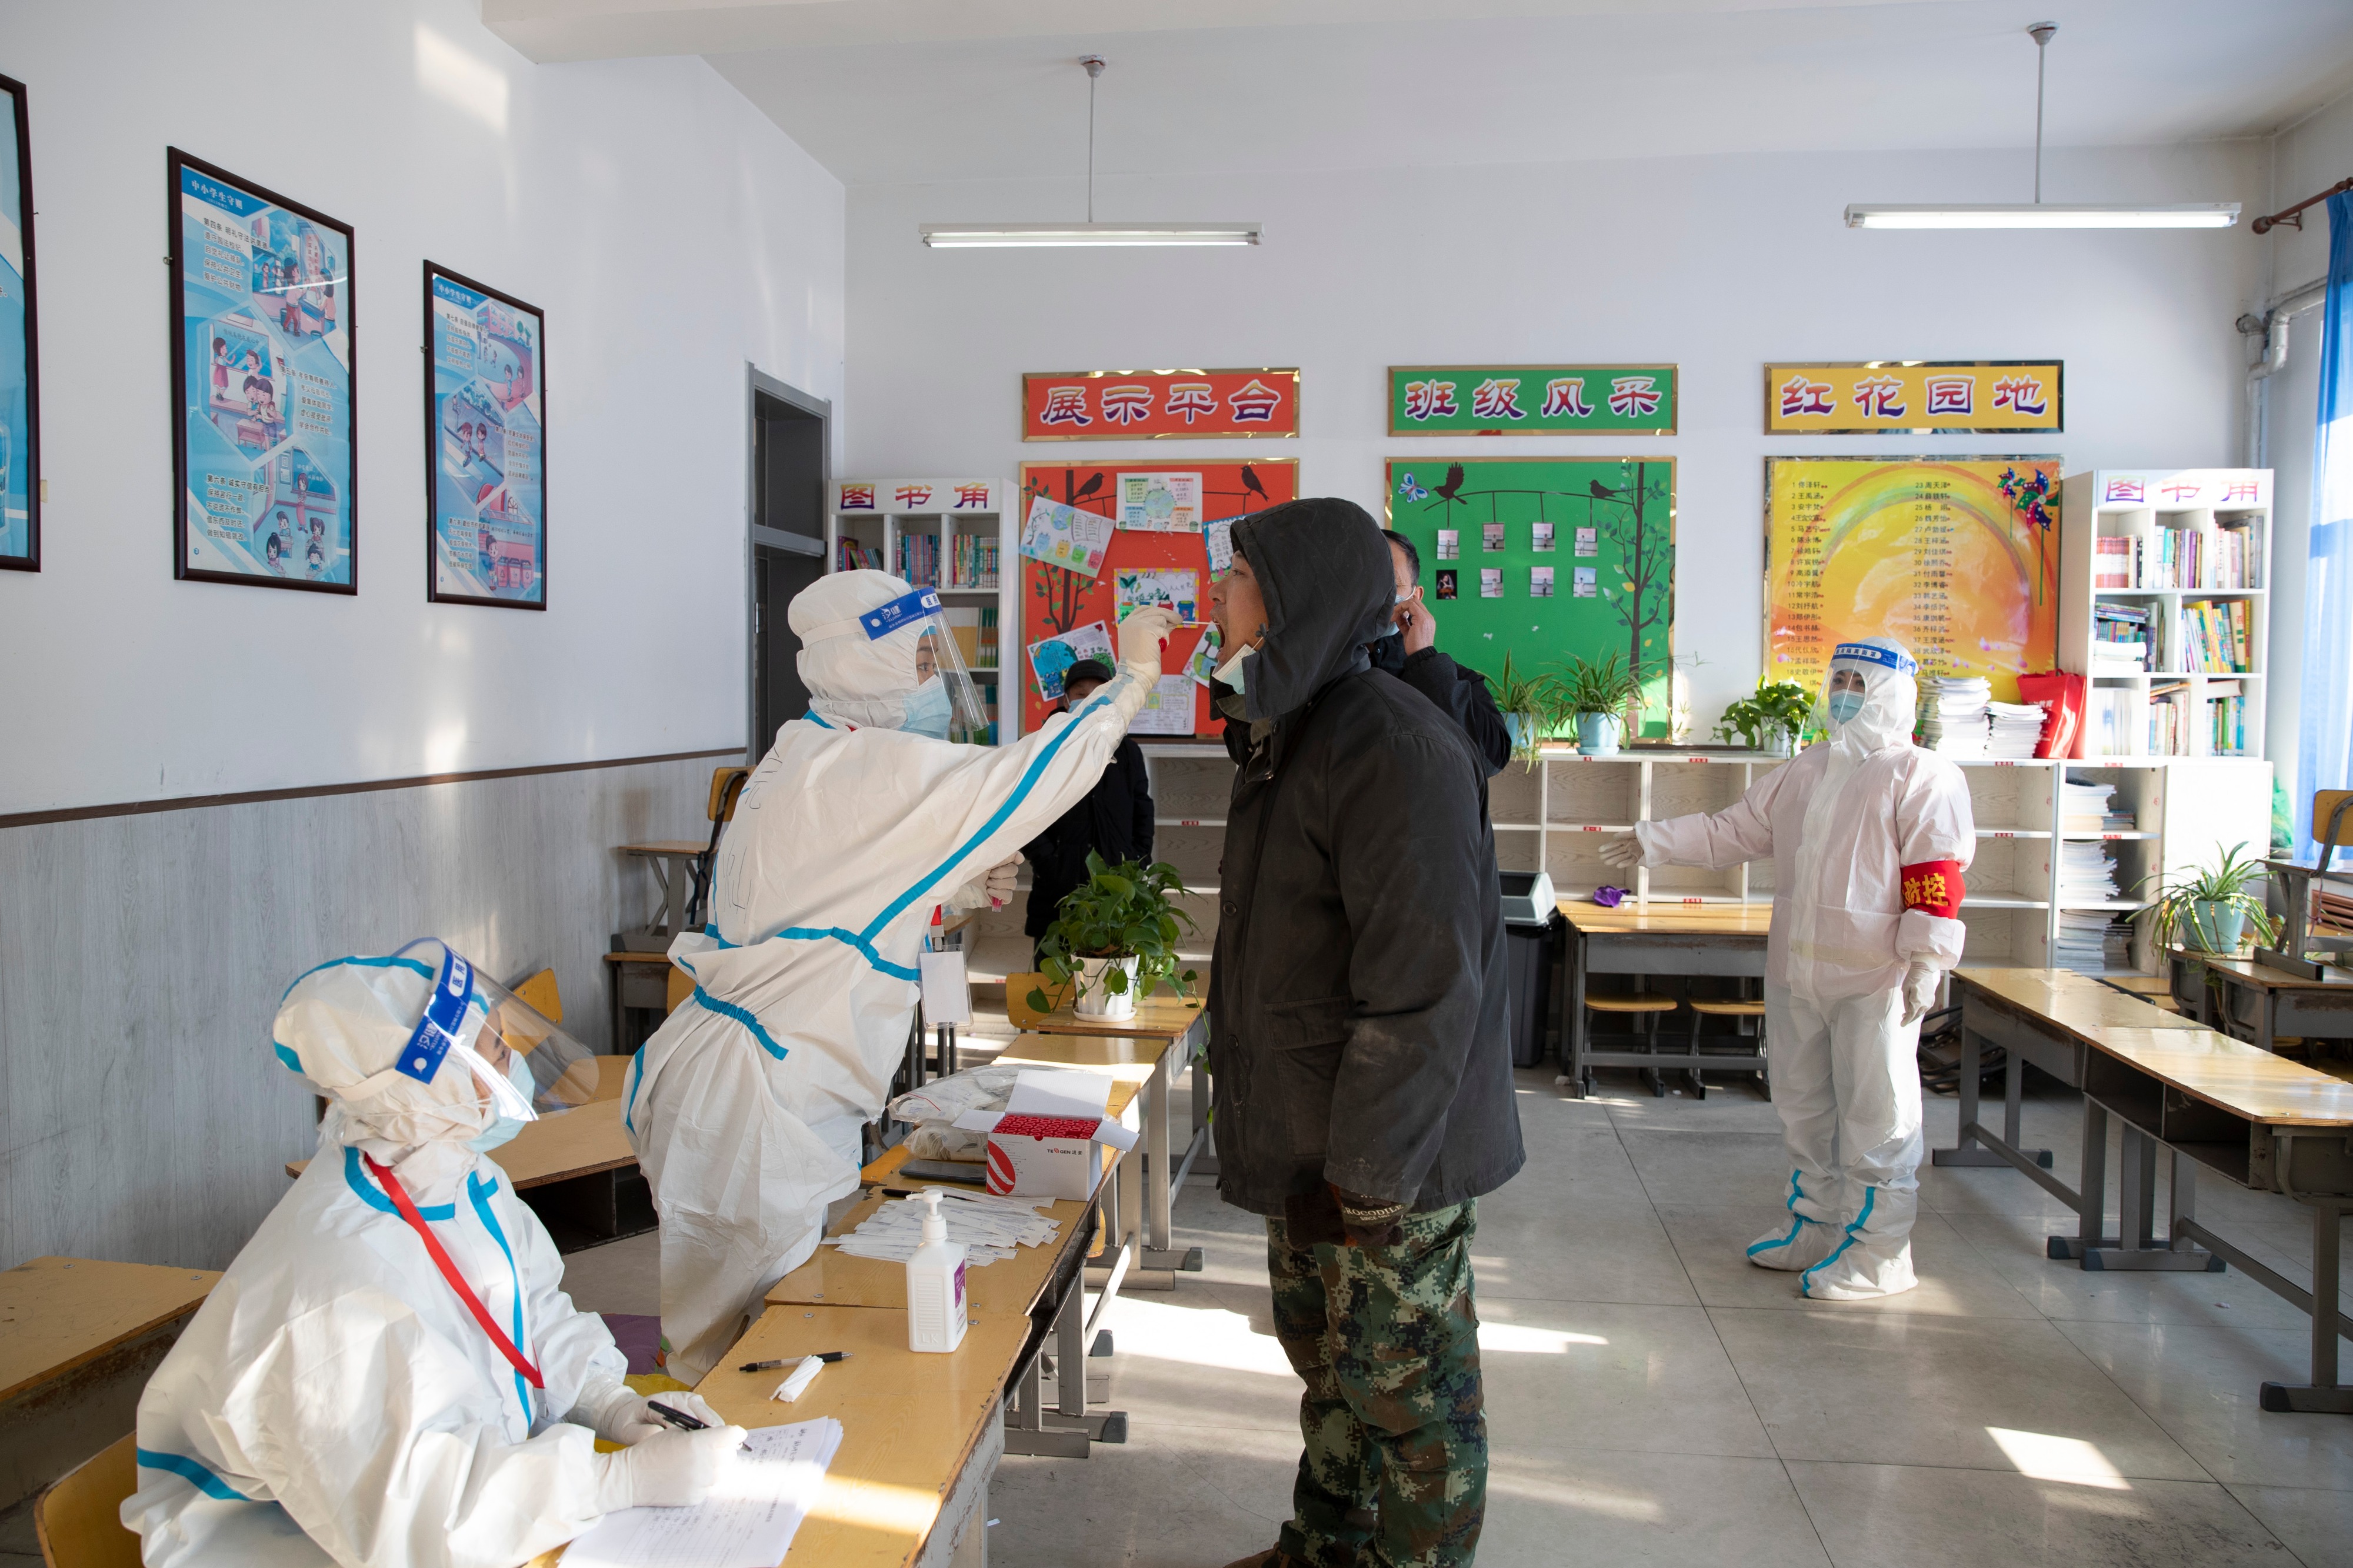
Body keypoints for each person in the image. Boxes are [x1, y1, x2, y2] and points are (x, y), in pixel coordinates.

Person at [626, 572, 1180, 1381]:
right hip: (763, 1106)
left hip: (753, 1085)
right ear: (860, 664)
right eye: (918, 660)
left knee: (748, 1344)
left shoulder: (805, 753)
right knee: (743, 1366)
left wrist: (949, 889)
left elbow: (829, 897)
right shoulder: (863, 765)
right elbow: (1032, 778)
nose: (931, 682)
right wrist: (1130, 682)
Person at [123, 940, 745, 1568]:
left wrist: (610, 1400)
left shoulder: (459, 1177)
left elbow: (530, 1310)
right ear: (422, 1084)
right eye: (493, 1051)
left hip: (454, 1504)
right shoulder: (336, 1282)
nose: (514, 1063)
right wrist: (614, 1482)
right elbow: (414, 1514)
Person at [1206, 499, 1522, 1568]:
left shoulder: (1391, 742)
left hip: (1390, 1153)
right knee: (1333, 1367)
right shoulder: (1293, 727)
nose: (1218, 598)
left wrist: (1376, 1176)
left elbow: (1426, 984)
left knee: (1410, 1390)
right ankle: (1326, 1547)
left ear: (1293, 599)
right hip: (1317, 1133)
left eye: (1236, 579)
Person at [1599, 638, 1973, 1300]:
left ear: (1893, 693)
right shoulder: (1809, 768)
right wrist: (1655, 839)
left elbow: (1935, 872)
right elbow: (1734, 829)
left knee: (1878, 1116)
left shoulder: (1921, 775)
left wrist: (1926, 959)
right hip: (1799, 971)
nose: (1845, 693)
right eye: (1839, 679)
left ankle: (1881, 1252)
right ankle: (1817, 1226)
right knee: (1804, 1109)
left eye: (1860, 682)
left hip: (1877, 977)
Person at [1022, 657, 1154, 954]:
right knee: (1053, 973)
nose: (1090, 700)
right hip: (1057, 891)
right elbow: (1026, 814)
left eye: (1098, 694)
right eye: (1081, 694)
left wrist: (1137, 861)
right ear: (1066, 700)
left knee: (1112, 976)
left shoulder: (1128, 752)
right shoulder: (1044, 747)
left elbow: (1143, 810)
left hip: (1116, 891)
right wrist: (1050, 864)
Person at [1371, 529, 1512, 775]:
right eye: (1366, 582)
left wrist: (1424, 657)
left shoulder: (1456, 679)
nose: (1375, 594)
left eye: (1391, 582)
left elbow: (1490, 759)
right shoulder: (1323, 669)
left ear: (1416, 597)